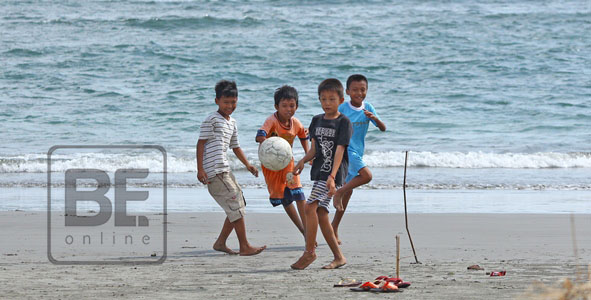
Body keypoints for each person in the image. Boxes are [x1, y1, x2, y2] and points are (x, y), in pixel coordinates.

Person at [196, 80, 266, 256]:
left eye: (233, 102)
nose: (230, 106)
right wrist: (200, 170)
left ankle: (220, 242)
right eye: (226, 102)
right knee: (236, 205)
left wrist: (248, 165)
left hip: (225, 170)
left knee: (238, 204)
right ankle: (244, 246)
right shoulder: (211, 119)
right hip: (215, 171)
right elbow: (200, 144)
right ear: (217, 101)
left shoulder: (232, 122)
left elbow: (235, 147)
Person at [290, 78, 352, 270]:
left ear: (341, 100)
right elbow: (314, 150)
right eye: (323, 99)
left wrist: (333, 177)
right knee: (322, 213)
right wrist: (301, 160)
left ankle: (309, 252)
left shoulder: (344, 122)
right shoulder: (316, 120)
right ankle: (339, 257)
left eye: (332, 99)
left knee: (309, 207)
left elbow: (340, 150)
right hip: (319, 172)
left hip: (333, 174)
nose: (327, 103)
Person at [331, 74, 386, 244]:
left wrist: (374, 118)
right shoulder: (343, 107)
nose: (359, 93)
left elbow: (383, 128)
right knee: (367, 176)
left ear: (366, 91)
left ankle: (333, 227)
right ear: (347, 91)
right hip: (346, 150)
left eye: (362, 90)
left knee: (349, 191)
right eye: (355, 90)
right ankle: (337, 193)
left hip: (357, 153)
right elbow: (329, 122)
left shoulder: (367, 107)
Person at [255, 85, 309, 239]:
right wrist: (268, 145)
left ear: (297, 106)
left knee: (299, 195)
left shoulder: (296, 123)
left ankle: (308, 231)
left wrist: (307, 157)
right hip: (271, 166)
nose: (288, 109)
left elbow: (303, 137)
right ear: (276, 106)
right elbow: (260, 134)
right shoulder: (271, 120)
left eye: (292, 106)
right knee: (285, 199)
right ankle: (303, 230)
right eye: (284, 106)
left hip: (288, 164)